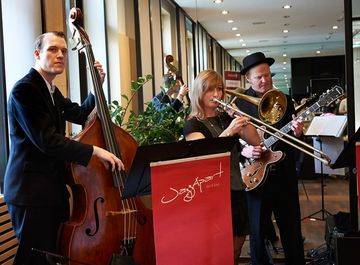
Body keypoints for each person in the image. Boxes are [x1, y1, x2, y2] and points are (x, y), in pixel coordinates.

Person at [4, 31, 124, 265]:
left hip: (50, 189)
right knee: (33, 258)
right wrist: (95, 151)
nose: (60, 55)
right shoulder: (25, 90)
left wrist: (97, 87)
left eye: (63, 51)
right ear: (37, 54)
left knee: (51, 257)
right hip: (30, 191)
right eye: (52, 49)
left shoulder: (50, 90)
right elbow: (46, 141)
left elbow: (81, 115)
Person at [183, 69, 262, 264]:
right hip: (212, 193)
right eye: (210, 90)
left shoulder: (225, 117)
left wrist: (240, 118)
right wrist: (229, 131)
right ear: (199, 92)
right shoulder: (192, 124)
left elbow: (254, 140)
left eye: (219, 89)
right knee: (217, 247)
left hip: (235, 186)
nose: (217, 95)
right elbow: (205, 155)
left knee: (237, 243)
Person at [234, 52, 305, 265]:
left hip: (283, 176)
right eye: (259, 77)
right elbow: (231, 143)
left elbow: (292, 138)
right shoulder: (238, 105)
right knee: (257, 232)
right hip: (254, 177)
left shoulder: (282, 99)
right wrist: (245, 151)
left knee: (291, 229)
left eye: (267, 75)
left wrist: (298, 132)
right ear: (248, 78)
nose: (264, 80)